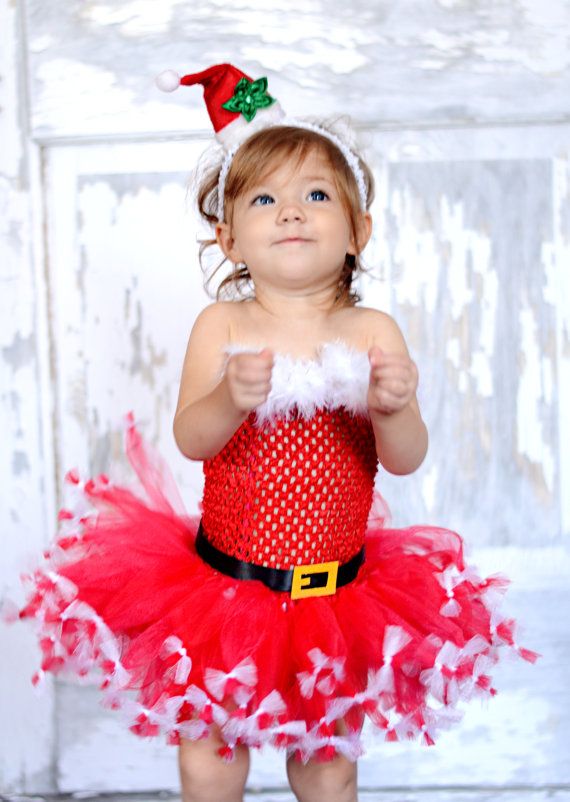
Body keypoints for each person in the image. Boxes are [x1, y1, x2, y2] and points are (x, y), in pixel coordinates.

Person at [16, 65, 537, 802]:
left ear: (358, 230)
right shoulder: (224, 325)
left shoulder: (370, 329)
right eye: (265, 199)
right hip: (225, 592)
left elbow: (407, 459)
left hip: (337, 600)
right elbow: (193, 438)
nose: (291, 212)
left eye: (317, 195)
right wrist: (229, 397)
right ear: (229, 238)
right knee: (211, 756)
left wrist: (394, 408)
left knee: (327, 765)